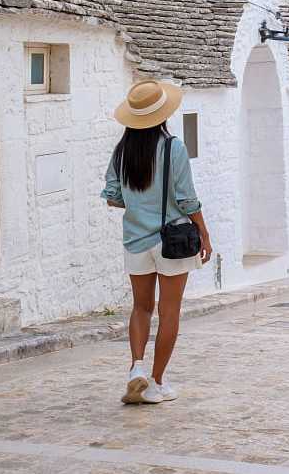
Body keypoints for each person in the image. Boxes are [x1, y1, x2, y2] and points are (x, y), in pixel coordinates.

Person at [101, 80, 213, 404]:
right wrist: (204, 233)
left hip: (135, 239)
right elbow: (187, 199)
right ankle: (156, 383)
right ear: (162, 114)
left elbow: (112, 197)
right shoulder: (173, 147)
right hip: (172, 241)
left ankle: (136, 366)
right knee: (169, 312)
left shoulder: (122, 152)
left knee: (140, 307)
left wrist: (139, 205)